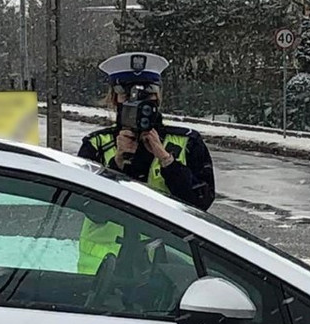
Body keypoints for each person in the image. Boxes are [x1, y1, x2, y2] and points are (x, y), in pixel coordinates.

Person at [76, 52, 215, 275]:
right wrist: (117, 163)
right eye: (128, 96)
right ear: (114, 100)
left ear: (159, 98)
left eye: (147, 94)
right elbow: (91, 210)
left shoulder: (187, 143)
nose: (139, 104)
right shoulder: (97, 145)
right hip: (103, 273)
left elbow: (201, 204)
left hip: (169, 272)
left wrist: (167, 160)